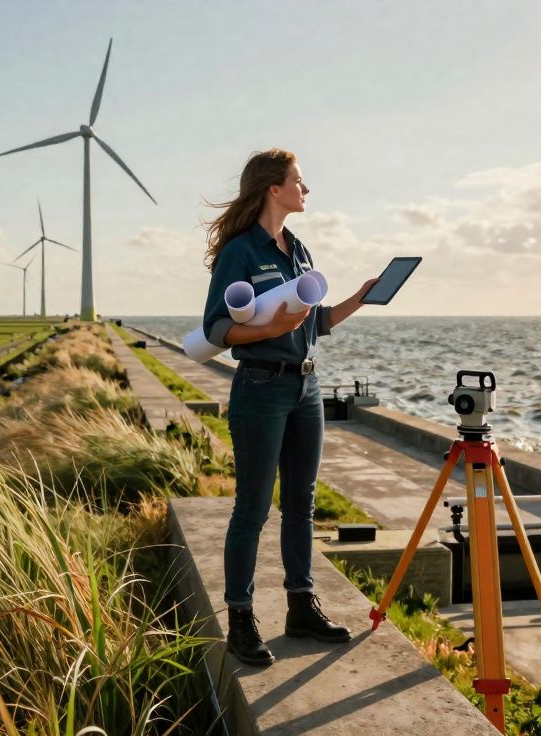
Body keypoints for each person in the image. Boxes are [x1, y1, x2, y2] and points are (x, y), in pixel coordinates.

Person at [200, 148, 378, 667]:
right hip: (260, 386)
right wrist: (270, 329)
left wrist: (359, 299)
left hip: (306, 387)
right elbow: (215, 329)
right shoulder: (239, 251)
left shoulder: (297, 248)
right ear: (273, 188)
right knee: (253, 509)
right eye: (299, 180)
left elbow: (314, 322)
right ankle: (240, 618)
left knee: (302, 504)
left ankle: (301, 607)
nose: (306, 189)